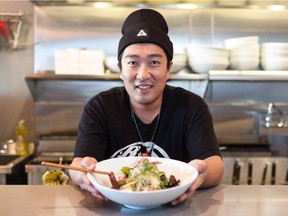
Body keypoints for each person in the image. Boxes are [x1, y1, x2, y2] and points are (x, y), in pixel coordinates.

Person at [69, 8, 224, 205]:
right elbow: (77, 165)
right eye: (133, 62)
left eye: (154, 62)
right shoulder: (100, 107)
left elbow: (215, 165)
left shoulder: (191, 106)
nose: (143, 74)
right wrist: (84, 175)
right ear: (120, 69)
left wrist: (198, 173)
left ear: (168, 69)